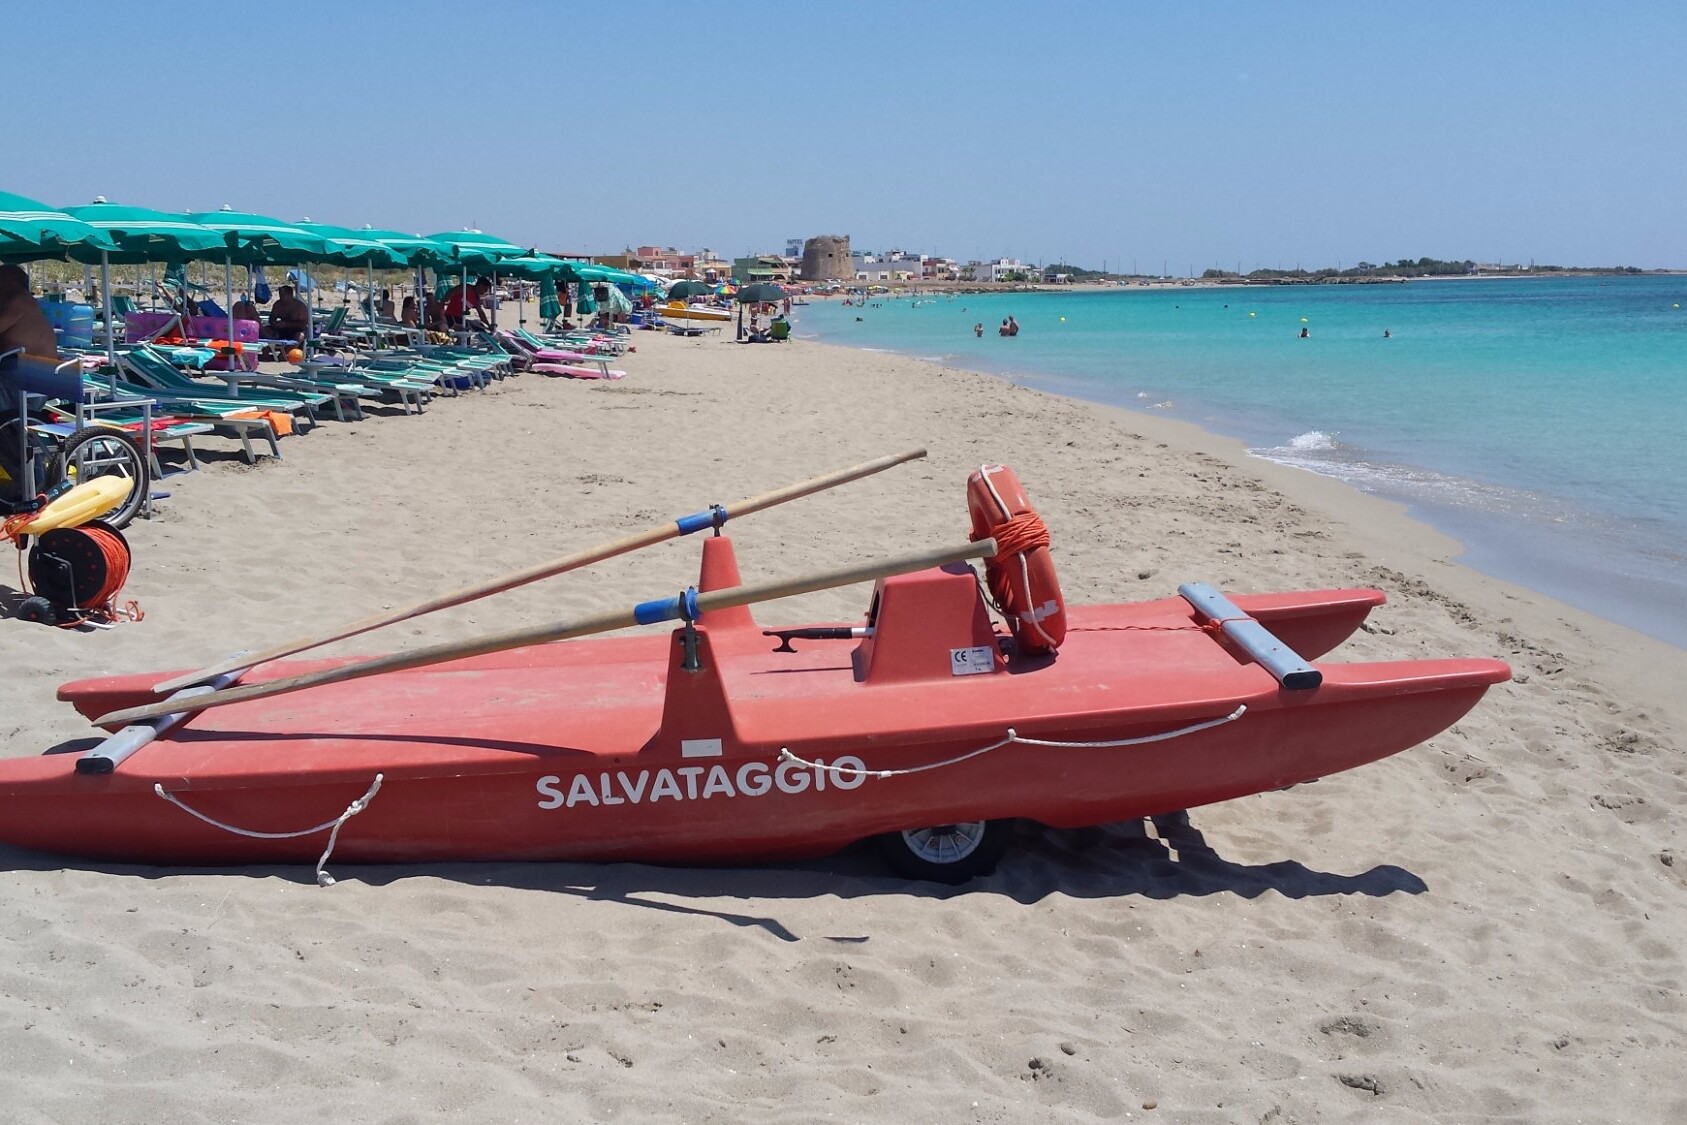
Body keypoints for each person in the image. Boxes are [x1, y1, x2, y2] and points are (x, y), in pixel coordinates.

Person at [0, 264, 61, 360]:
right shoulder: (22, 301)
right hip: (25, 365)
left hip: (34, 368)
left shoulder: (20, 302)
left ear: (13, 282)